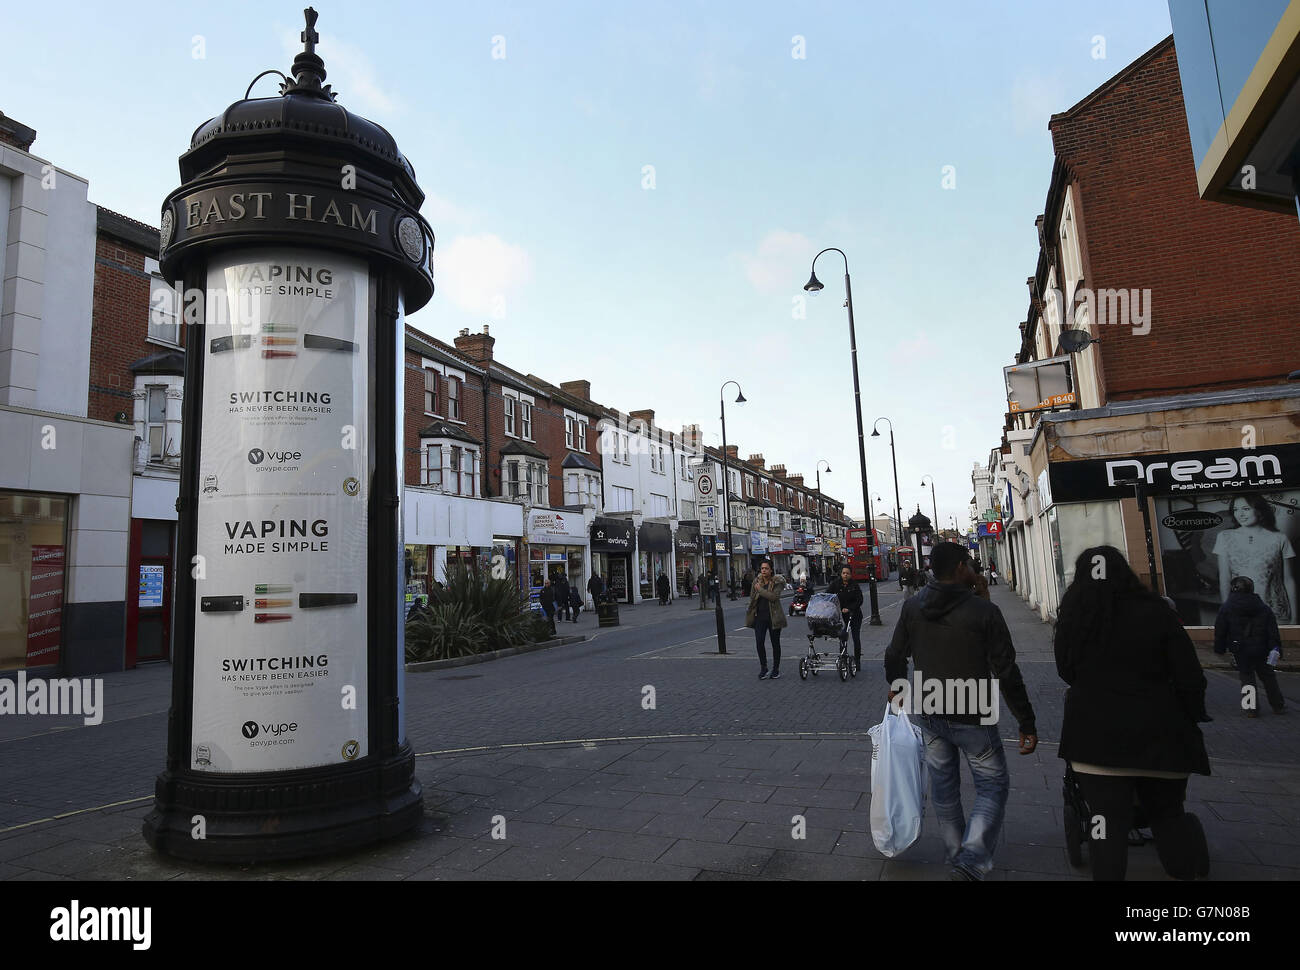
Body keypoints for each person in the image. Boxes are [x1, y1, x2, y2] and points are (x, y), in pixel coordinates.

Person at [1056, 546, 1211, 881]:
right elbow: (1190, 677)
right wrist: (1190, 714)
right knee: (1168, 815)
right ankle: (1184, 872)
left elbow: (1065, 670)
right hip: (1161, 733)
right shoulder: (1158, 612)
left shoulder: (1074, 615)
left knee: (1104, 822)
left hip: (1095, 738)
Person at [884, 541, 1037, 881]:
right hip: (972, 712)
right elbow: (1007, 671)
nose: (973, 568)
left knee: (944, 787)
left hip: (929, 707)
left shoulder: (912, 607)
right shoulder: (984, 612)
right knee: (992, 785)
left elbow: (894, 655)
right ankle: (971, 859)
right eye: (969, 563)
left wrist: (896, 689)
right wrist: (1026, 721)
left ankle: (958, 856)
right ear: (958, 568)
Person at [1214, 494, 1296, 625]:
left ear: (1259, 510)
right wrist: (1227, 612)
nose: (1240, 514)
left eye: (1246, 509)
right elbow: (1224, 578)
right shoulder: (1224, 537)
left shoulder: (1279, 538)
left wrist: (1295, 618)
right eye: (1236, 510)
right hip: (1240, 610)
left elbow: (1288, 579)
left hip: (1276, 611)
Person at [1215, 575, 1285, 716]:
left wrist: (1220, 648)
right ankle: (1278, 706)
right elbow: (1272, 631)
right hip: (1262, 648)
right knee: (1268, 677)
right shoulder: (1263, 608)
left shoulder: (1227, 607)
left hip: (1241, 649)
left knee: (1246, 677)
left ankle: (1251, 709)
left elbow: (1220, 630)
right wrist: (1276, 649)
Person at [745, 559, 786, 680]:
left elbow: (773, 597)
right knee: (759, 642)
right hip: (759, 617)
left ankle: (776, 669)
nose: (763, 570)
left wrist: (760, 590)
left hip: (774, 617)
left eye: (766, 568)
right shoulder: (756, 581)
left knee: (775, 643)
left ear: (771, 570)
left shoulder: (777, 582)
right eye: (762, 568)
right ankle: (764, 667)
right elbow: (752, 597)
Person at [827, 565, 864, 674]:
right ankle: (843, 658)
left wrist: (849, 608)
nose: (845, 575)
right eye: (843, 573)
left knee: (856, 637)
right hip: (842, 616)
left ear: (850, 574)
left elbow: (859, 600)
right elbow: (828, 594)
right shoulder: (836, 584)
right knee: (843, 636)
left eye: (847, 573)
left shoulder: (855, 585)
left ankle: (857, 661)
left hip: (855, 615)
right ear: (841, 574)